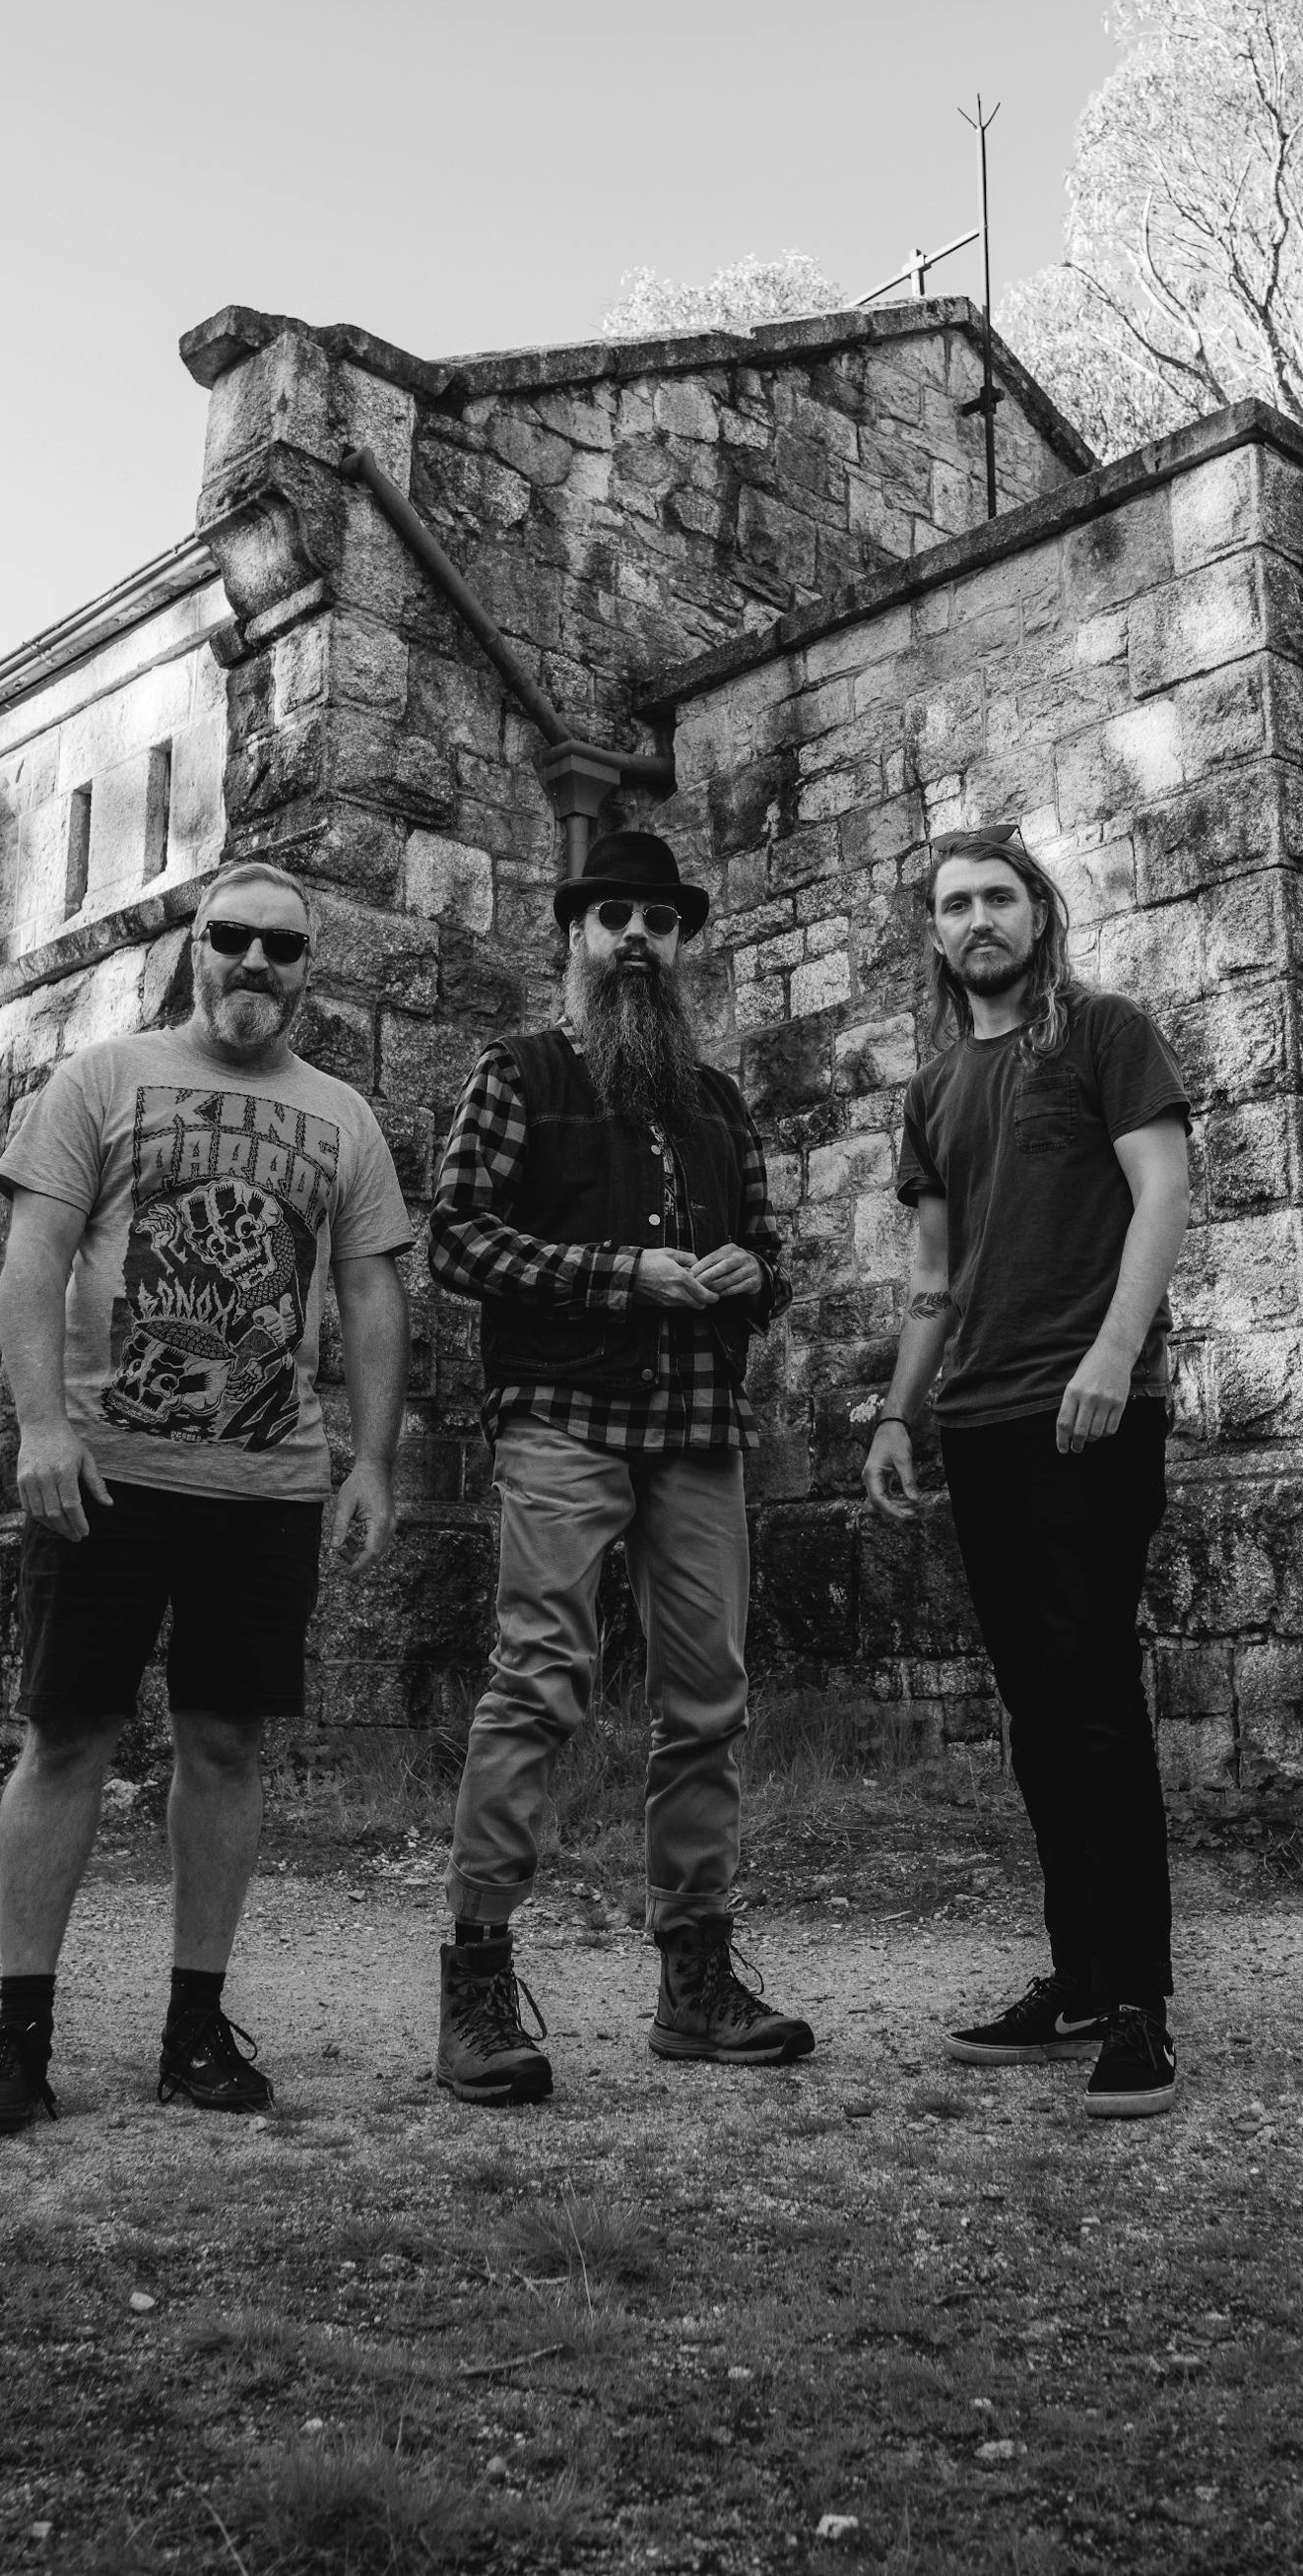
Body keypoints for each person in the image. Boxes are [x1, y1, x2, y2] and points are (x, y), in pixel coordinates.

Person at [0, 859, 413, 2136]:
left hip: (264, 1487)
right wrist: (39, 1421)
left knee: (225, 1743)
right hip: (105, 1475)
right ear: (194, 946)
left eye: (283, 947)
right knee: (68, 1737)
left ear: (308, 969)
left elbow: (373, 1296)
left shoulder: (345, 1119)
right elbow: (33, 1257)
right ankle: (21, 2033)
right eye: (233, 939)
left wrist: (369, 1461)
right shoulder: (103, 1080)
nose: (257, 963)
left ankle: (194, 2030)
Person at [423, 827, 808, 2103]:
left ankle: (695, 1986)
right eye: (614, 918)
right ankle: (477, 1988)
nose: (637, 938)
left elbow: (769, 1249)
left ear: (682, 945)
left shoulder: (718, 1104)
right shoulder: (519, 1074)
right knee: (539, 1681)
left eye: (659, 920)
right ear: (574, 941)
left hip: (698, 1430)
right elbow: (460, 1242)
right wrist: (614, 1275)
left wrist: (754, 1276)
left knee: (708, 1705)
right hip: (562, 1420)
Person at [863, 829, 1195, 2119]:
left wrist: (1114, 1355)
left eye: (1000, 896)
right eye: (955, 905)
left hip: (1092, 1410)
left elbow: (1162, 1195)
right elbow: (934, 1276)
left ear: (1041, 914)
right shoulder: (935, 1089)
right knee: (1039, 1710)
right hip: (984, 1425)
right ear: (938, 937)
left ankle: (1140, 2008)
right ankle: (1073, 1979)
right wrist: (899, 1416)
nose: (979, 918)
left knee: (1095, 1695)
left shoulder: (1107, 1034)